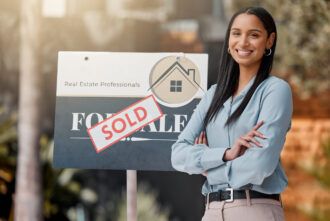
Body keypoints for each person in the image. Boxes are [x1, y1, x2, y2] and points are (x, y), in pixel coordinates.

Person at [171, 6, 292, 221]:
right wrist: (226, 153)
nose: (243, 42)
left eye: (253, 35)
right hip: (212, 211)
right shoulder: (213, 95)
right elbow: (178, 154)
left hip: (254, 209)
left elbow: (259, 166)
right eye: (236, 34)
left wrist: (209, 170)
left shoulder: (275, 91)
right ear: (228, 40)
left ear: (270, 41)